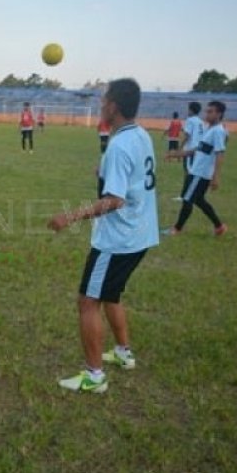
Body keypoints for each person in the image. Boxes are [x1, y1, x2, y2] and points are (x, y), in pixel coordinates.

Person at [48, 78, 159, 393]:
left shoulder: (119, 145)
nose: (100, 105)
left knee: (87, 301)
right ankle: (123, 353)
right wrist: (105, 172)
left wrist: (69, 217)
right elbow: (134, 180)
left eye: (103, 100)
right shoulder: (141, 135)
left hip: (118, 240)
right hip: (141, 234)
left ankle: (94, 375)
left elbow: (114, 201)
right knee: (112, 294)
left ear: (113, 106)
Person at [164, 101, 228, 236]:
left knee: (187, 199)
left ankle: (176, 229)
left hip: (201, 173)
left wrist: (215, 177)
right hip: (196, 170)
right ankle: (219, 226)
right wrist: (176, 154)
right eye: (207, 111)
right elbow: (197, 150)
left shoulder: (218, 131)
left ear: (219, 114)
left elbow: (220, 153)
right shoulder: (209, 129)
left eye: (210, 111)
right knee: (198, 200)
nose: (207, 114)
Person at [173, 102, 203, 201]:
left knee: (188, 173)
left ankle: (185, 196)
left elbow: (187, 135)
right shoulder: (200, 121)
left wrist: (180, 148)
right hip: (198, 150)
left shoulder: (190, 120)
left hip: (190, 150)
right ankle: (190, 195)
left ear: (191, 110)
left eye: (188, 109)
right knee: (192, 173)